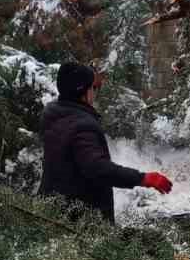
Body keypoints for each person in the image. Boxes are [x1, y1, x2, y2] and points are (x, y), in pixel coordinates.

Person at [39, 61, 173, 220]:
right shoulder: (82, 126)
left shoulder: (54, 115)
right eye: (92, 87)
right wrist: (143, 178)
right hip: (80, 219)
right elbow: (97, 168)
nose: (94, 92)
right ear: (83, 91)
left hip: (53, 210)